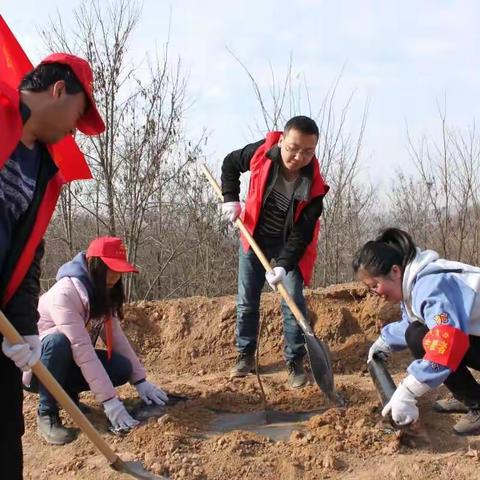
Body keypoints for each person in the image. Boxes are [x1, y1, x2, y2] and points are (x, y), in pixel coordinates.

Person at [1, 53, 105, 478]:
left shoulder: (43, 168)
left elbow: (29, 254)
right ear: (59, 90)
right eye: (78, 116)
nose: (74, 131)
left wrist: (24, 325)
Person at [23, 236, 168, 444]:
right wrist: (110, 402)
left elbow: (117, 339)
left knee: (121, 367)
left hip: (69, 361)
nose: (115, 276)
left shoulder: (101, 293)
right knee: (58, 342)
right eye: (110, 268)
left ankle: (70, 398)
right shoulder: (65, 294)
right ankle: (47, 413)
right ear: (95, 265)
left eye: (120, 270)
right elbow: (81, 349)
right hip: (38, 367)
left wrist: (140, 381)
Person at [221, 115, 329, 387]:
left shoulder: (315, 188)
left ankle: (295, 361)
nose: (298, 156)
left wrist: (283, 264)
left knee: (292, 301)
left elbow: (303, 233)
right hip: (254, 235)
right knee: (247, 301)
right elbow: (230, 163)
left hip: (288, 245)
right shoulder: (262, 153)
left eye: (308, 151)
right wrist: (231, 198)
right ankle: (245, 354)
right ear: (282, 140)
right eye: (293, 148)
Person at [354, 227, 480, 435]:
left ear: (395, 271)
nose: (375, 293)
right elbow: (415, 321)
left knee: (423, 338)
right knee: (416, 334)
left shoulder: (430, 286)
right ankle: (471, 397)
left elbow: (448, 341)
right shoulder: (413, 284)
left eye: (375, 285)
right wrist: (385, 341)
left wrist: (409, 390)